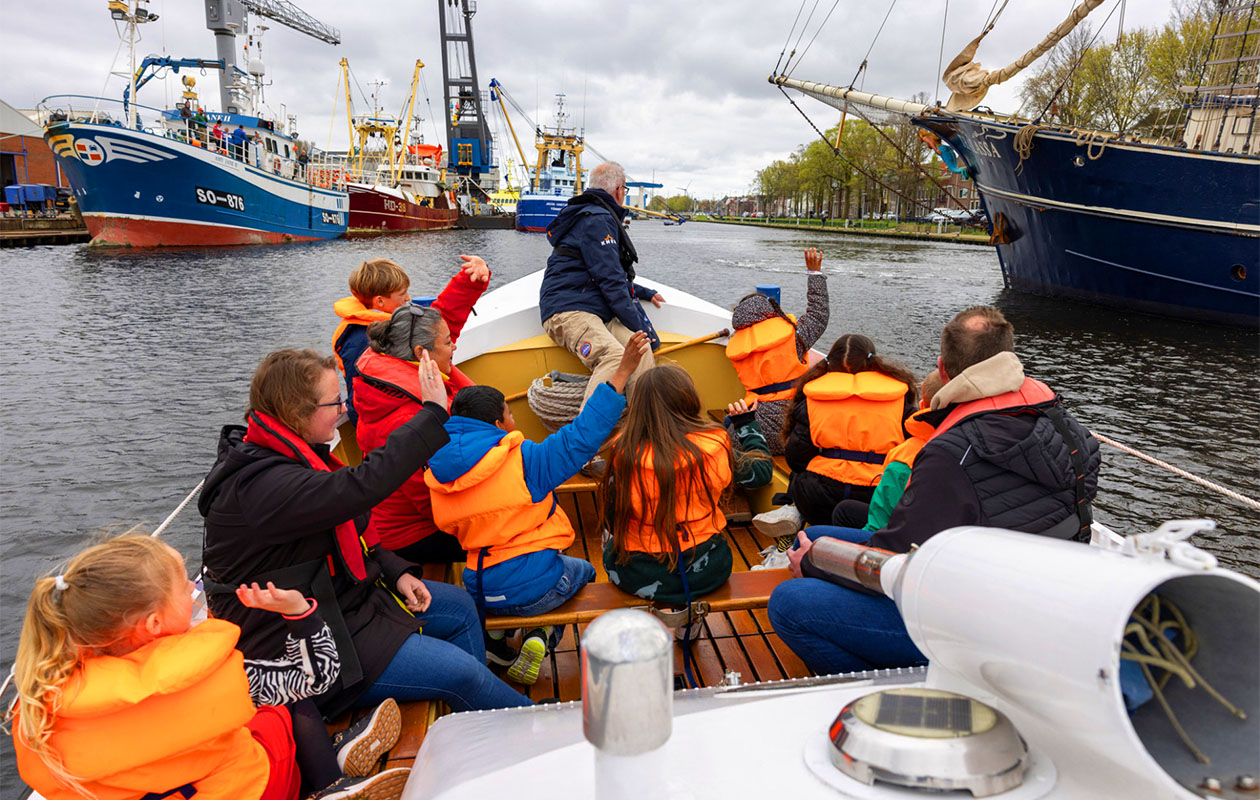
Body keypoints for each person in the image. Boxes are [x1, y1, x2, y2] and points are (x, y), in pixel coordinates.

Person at [200, 348, 531, 727]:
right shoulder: (263, 485)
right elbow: (360, 487)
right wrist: (433, 415)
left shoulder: (290, 454)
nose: (343, 410)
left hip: (344, 601)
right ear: (296, 412)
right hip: (305, 640)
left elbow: (347, 528)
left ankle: (475, 727)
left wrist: (394, 571)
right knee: (463, 674)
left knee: (458, 607)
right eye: (334, 402)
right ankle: (534, 729)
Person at [767, 306, 1102, 675]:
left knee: (788, 601)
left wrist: (817, 564)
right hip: (1041, 599)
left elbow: (894, 561)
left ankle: (889, 688)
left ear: (943, 369)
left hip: (977, 627)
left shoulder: (952, 453)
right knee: (815, 534)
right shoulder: (1068, 428)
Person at [9, 534, 408, 800]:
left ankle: (334, 753)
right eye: (184, 586)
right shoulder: (222, 678)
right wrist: (298, 613)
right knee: (284, 711)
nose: (192, 589)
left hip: (177, 787)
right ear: (153, 624)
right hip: (250, 789)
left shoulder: (42, 706)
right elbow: (320, 675)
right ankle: (327, 784)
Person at [425, 332, 651, 684]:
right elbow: (582, 436)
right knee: (584, 572)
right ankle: (541, 635)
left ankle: (497, 641)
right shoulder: (528, 462)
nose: (513, 421)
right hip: (536, 590)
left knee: (514, 585)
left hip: (479, 589)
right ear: (498, 425)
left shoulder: (437, 470)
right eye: (509, 414)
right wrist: (621, 372)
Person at [601, 365, 771, 607]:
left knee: (609, 539)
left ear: (638, 407)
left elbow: (611, 520)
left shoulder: (623, 452)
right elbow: (761, 473)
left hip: (637, 574)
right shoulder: (715, 444)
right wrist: (746, 425)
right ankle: (688, 626)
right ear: (690, 399)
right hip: (708, 569)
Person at [751, 333, 918, 566]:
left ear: (829, 363)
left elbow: (796, 458)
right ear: (873, 362)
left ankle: (793, 522)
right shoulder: (901, 403)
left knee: (801, 472)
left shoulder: (813, 398)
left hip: (819, 498)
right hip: (872, 498)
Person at [354, 295, 487, 565]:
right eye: (448, 343)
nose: (454, 347)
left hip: (423, 517)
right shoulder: (408, 416)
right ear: (420, 354)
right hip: (411, 536)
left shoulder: (398, 387)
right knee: (516, 534)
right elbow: (428, 500)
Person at [539, 161, 661, 407]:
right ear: (618, 190)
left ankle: (640, 427)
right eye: (625, 189)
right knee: (616, 357)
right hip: (568, 308)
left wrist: (645, 293)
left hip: (591, 305)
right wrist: (640, 327)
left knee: (640, 349)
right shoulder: (598, 219)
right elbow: (611, 280)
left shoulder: (591, 214)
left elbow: (608, 272)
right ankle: (587, 439)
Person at [333, 256, 488, 424]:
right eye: (402, 294)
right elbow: (361, 398)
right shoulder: (359, 343)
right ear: (379, 301)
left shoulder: (400, 325)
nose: (408, 298)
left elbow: (441, 322)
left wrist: (469, 281)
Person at [726, 247, 829, 454]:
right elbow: (819, 314)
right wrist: (814, 273)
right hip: (792, 425)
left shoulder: (736, 345)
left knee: (728, 425)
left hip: (755, 425)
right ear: (771, 311)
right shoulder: (794, 337)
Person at [830, 369, 944, 531]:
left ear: (922, 405)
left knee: (827, 524)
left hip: (903, 541)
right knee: (847, 509)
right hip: (943, 534)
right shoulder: (978, 441)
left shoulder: (905, 459)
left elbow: (878, 528)